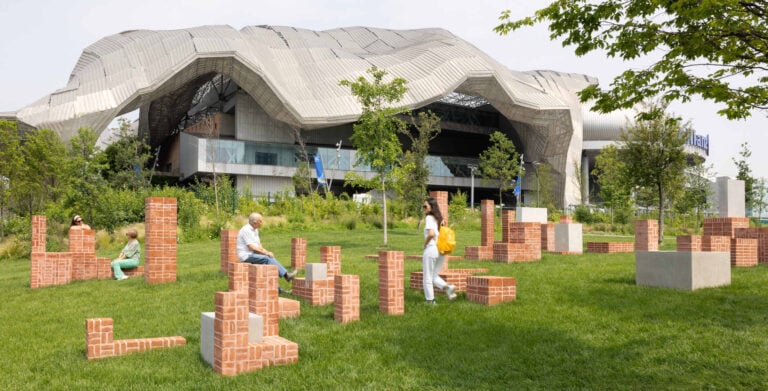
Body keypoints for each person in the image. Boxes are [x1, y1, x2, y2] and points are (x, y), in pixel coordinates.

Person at [237, 213, 297, 292]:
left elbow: (259, 245)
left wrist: (267, 252)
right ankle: (286, 275)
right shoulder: (246, 230)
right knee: (267, 259)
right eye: (260, 221)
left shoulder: (255, 230)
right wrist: (265, 254)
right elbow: (251, 247)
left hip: (253, 254)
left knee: (270, 260)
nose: (262, 222)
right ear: (254, 222)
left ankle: (278, 290)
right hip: (246, 256)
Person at [422, 197, 457, 304]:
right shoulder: (439, 219)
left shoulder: (429, 218)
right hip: (441, 250)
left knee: (427, 276)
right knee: (434, 276)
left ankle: (430, 301)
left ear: (431, 207)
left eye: (425, 206)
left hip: (431, 249)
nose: (424, 209)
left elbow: (431, 234)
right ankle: (448, 287)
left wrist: (425, 243)